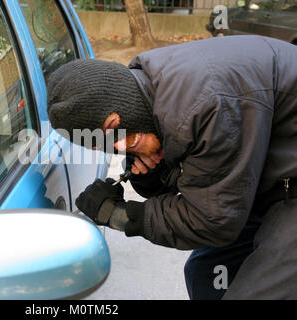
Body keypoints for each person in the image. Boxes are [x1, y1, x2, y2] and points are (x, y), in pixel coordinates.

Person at [46, 35, 297, 299]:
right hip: (269, 176)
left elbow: (213, 221)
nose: (117, 146)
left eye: (111, 128)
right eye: (101, 143)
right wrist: (153, 173)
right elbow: (207, 174)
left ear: (121, 96)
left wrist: (119, 215)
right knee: (206, 272)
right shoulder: (153, 90)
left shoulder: (204, 104)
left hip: (286, 186)